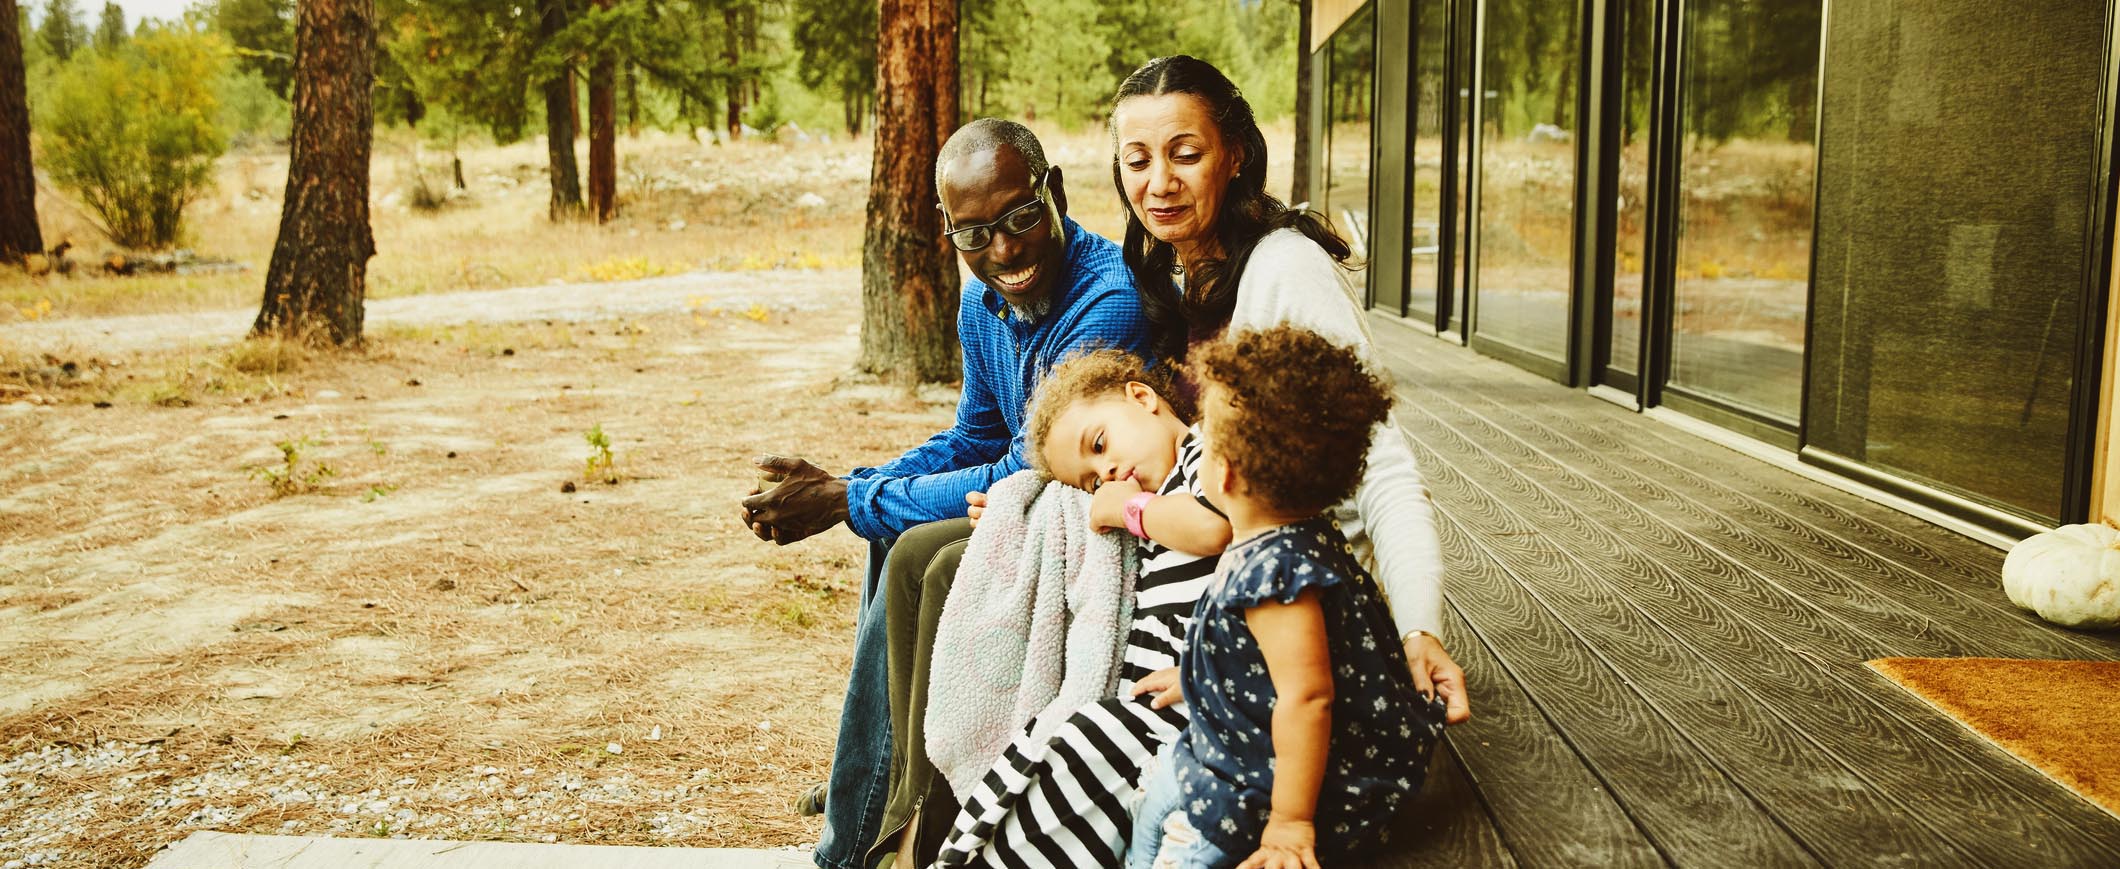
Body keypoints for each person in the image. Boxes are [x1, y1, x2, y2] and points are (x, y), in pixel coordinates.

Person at [738, 118, 1152, 869]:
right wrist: (861, 485)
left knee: (917, 552)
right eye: (974, 234)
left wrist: (849, 498)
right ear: (949, 229)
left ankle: (903, 823)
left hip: (1091, 515)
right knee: (893, 527)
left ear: (1055, 191)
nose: (1004, 251)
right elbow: (973, 437)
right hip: (1029, 501)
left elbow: (1027, 467)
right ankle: (876, 787)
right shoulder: (981, 301)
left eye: (1022, 217)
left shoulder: (1106, 302)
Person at [1107, 55, 1469, 722]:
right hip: (1218, 564)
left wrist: (1420, 627)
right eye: (1137, 160)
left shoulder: (1286, 270)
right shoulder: (1173, 276)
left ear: (1235, 155)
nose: (1159, 182)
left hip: (1300, 598)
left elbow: (1382, 463)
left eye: (1185, 154)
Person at [1128, 325, 1446, 869]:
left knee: (1179, 847)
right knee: (1153, 804)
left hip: (1283, 791)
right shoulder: (1305, 533)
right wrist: (1202, 675)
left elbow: (1307, 697)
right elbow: (1281, 660)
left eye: (1207, 433)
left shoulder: (1274, 576)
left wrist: (1290, 824)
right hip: (1247, 752)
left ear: (1222, 474)